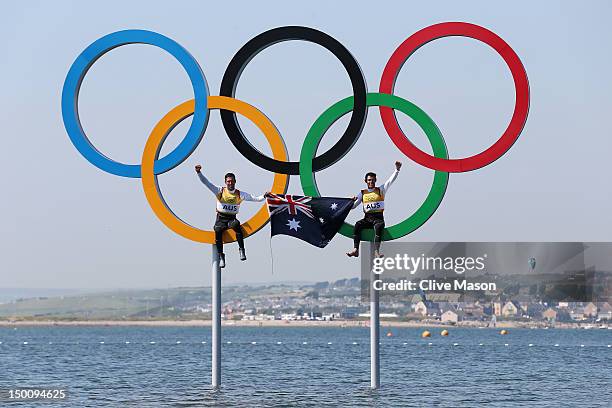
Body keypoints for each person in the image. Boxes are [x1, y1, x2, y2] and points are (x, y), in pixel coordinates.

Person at [195, 165, 269, 268]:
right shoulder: (219, 191)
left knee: (236, 225)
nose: (230, 183)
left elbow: (254, 198)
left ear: (235, 181)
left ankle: (242, 250)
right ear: (225, 182)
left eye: (232, 181)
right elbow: (206, 183)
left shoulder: (240, 194)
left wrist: (264, 196)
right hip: (221, 219)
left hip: (231, 219)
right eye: (228, 181)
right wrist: (199, 172)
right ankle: (221, 256)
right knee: (217, 230)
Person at [346, 161, 402, 258]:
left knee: (379, 227)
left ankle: (376, 251)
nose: (371, 182)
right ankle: (356, 250)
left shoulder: (381, 190)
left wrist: (397, 170)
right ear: (365, 181)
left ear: (375, 180)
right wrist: (350, 201)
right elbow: (353, 206)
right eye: (369, 180)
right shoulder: (362, 193)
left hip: (378, 218)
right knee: (357, 225)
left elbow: (390, 181)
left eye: (372, 180)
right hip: (367, 218)